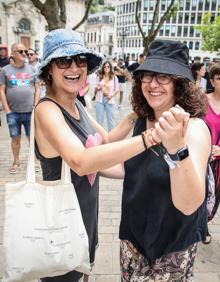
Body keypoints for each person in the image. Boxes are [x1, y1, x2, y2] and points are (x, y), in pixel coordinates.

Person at [35, 29, 186, 282]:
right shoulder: (47, 110)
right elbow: (81, 161)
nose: (74, 67)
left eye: (80, 60)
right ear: (49, 69)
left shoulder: (76, 105)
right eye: (63, 61)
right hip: (61, 225)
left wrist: (138, 111)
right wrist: (150, 138)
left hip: (85, 218)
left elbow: (105, 140)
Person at [119, 39, 211, 281]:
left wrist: (177, 147)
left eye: (163, 77)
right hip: (132, 241)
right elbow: (131, 166)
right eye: (147, 76)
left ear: (179, 84)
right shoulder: (143, 118)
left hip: (171, 249)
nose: (152, 84)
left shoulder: (194, 129)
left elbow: (190, 204)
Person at [0, 42, 40, 173]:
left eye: (26, 51)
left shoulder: (33, 69)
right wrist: (7, 111)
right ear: (13, 54)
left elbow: (37, 88)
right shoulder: (5, 71)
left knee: (32, 138)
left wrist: (36, 105)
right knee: (15, 138)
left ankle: (34, 160)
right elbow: (1, 90)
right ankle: (16, 161)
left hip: (30, 111)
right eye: (21, 51)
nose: (25, 54)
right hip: (14, 113)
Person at [204, 63, 220, 243]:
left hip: (219, 161)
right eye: (219, 78)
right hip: (203, 157)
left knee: (215, 196)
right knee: (202, 193)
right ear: (212, 81)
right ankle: (202, 226)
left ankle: (206, 219)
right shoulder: (203, 100)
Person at [95, 61, 119, 131]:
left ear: (110, 68)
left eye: (108, 66)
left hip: (110, 100)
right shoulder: (99, 77)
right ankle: (100, 137)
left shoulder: (114, 78)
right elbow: (96, 88)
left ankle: (111, 137)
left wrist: (111, 95)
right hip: (100, 99)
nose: (106, 68)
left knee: (111, 121)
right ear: (103, 68)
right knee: (99, 120)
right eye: (105, 66)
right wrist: (99, 87)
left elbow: (117, 89)